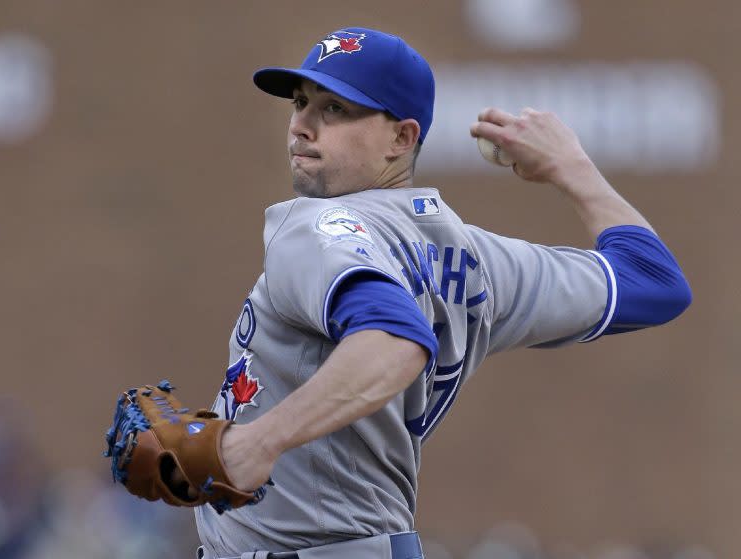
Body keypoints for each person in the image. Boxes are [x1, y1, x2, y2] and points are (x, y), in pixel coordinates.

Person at [192, 27, 692, 559]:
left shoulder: (317, 229)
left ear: (402, 139)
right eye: (300, 103)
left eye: (335, 109)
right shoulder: (480, 260)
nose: (301, 127)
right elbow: (653, 282)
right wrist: (574, 170)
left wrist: (258, 442)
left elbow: (392, 339)